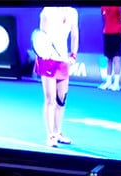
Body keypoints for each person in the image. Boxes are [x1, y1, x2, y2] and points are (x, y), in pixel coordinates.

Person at [34, 6, 79, 147]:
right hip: (47, 60)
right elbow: (41, 36)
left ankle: (58, 132)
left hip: (63, 61)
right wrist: (43, 53)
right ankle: (50, 136)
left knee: (61, 100)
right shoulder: (47, 11)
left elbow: (74, 34)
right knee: (50, 100)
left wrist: (73, 54)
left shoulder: (72, 12)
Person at [98, 6, 121, 91]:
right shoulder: (103, 7)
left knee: (116, 58)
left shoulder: (117, 7)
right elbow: (104, 19)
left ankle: (116, 84)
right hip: (107, 33)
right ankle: (108, 82)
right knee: (109, 59)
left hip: (116, 33)